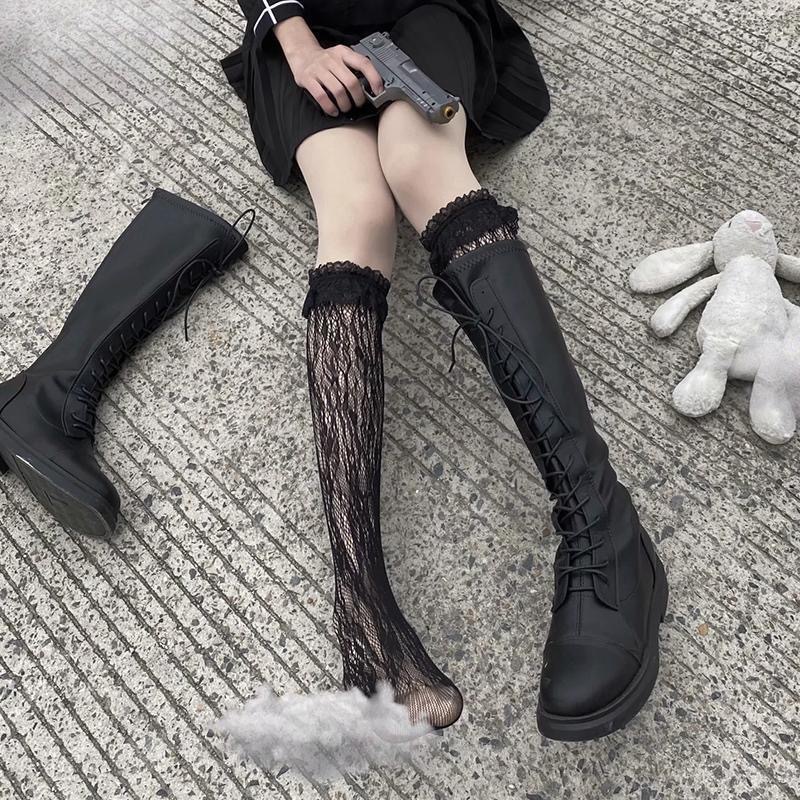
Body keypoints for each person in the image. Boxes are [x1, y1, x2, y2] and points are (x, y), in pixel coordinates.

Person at [223, 0, 668, 741]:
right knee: (356, 211)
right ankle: (362, 603)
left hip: (423, 8)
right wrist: (298, 46)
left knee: (416, 159)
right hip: (303, 28)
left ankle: (604, 527)